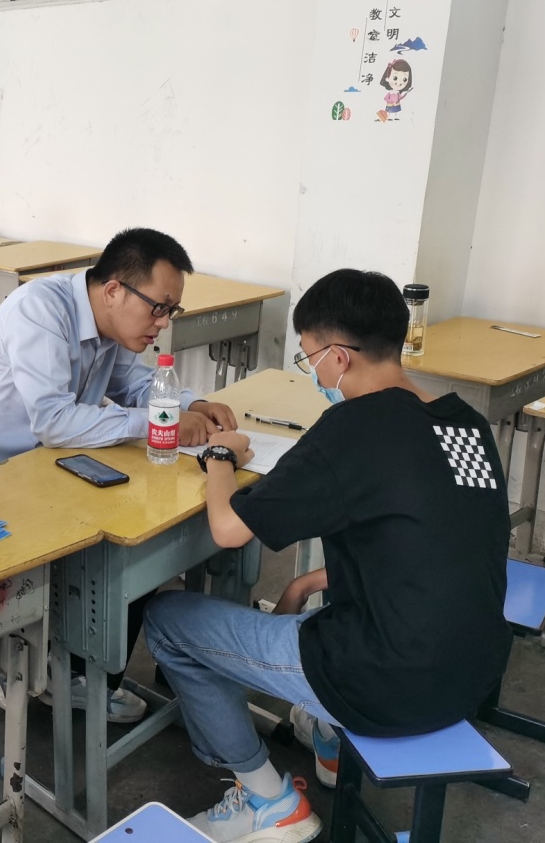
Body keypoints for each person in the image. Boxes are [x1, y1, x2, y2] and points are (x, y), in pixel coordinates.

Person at [144, 269, 512, 843]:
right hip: (473, 670)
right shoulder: (464, 422)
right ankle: (327, 737)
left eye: (309, 358)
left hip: (385, 681)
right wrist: (306, 582)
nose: (313, 373)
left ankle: (268, 802)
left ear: (338, 357)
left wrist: (220, 456)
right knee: (314, 611)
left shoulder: (353, 428)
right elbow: (432, 541)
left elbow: (229, 529)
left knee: (168, 620)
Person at [0, 227, 236, 724]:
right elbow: (54, 420)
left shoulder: (112, 324)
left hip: (49, 467)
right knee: (120, 546)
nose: (163, 324)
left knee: (140, 536)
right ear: (114, 290)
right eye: (159, 308)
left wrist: (191, 403)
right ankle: (24, 665)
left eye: (171, 311)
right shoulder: (41, 311)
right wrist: (159, 424)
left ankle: (81, 672)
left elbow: (132, 384)